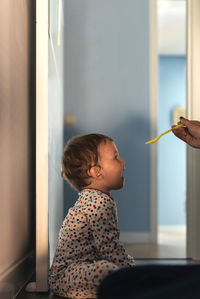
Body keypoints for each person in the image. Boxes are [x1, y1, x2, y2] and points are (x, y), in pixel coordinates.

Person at [48, 134, 134, 299]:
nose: (123, 163)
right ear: (97, 172)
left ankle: (98, 290)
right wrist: (131, 273)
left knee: (118, 266)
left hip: (80, 271)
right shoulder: (97, 204)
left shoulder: (96, 198)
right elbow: (109, 247)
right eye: (115, 158)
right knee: (107, 270)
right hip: (66, 276)